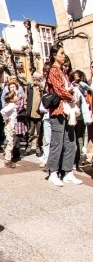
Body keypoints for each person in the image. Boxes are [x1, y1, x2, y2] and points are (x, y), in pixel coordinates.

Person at [45, 45, 81, 186]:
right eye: (61, 53)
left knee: (70, 142)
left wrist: (72, 92)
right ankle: (53, 172)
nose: (64, 56)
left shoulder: (63, 72)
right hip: (58, 110)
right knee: (57, 142)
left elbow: (66, 88)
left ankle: (68, 172)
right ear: (54, 55)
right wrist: (71, 96)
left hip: (68, 111)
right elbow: (60, 91)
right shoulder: (53, 71)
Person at [26, 72, 44, 157]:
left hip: (40, 114)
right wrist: (26, 108)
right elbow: (26, 99)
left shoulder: (42, 87)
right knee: (30, 132)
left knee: (39, 133)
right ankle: (28, 147)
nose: (35, 79)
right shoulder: (29, 87)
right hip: (31, 113)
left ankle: (38, 148)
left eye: (37, 78)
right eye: (34, 78)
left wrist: (41, 87)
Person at [1, 90, 18, 168]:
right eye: (15, 96)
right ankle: (7, 160)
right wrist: (6, 118)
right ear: (11, 99)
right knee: (10, 143)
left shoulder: (12, 105)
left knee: (10, 142)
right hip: (9, 126)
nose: (17, 97)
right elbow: (3, 111)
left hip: (11, 126)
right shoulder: (12, 105)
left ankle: (8, 158)